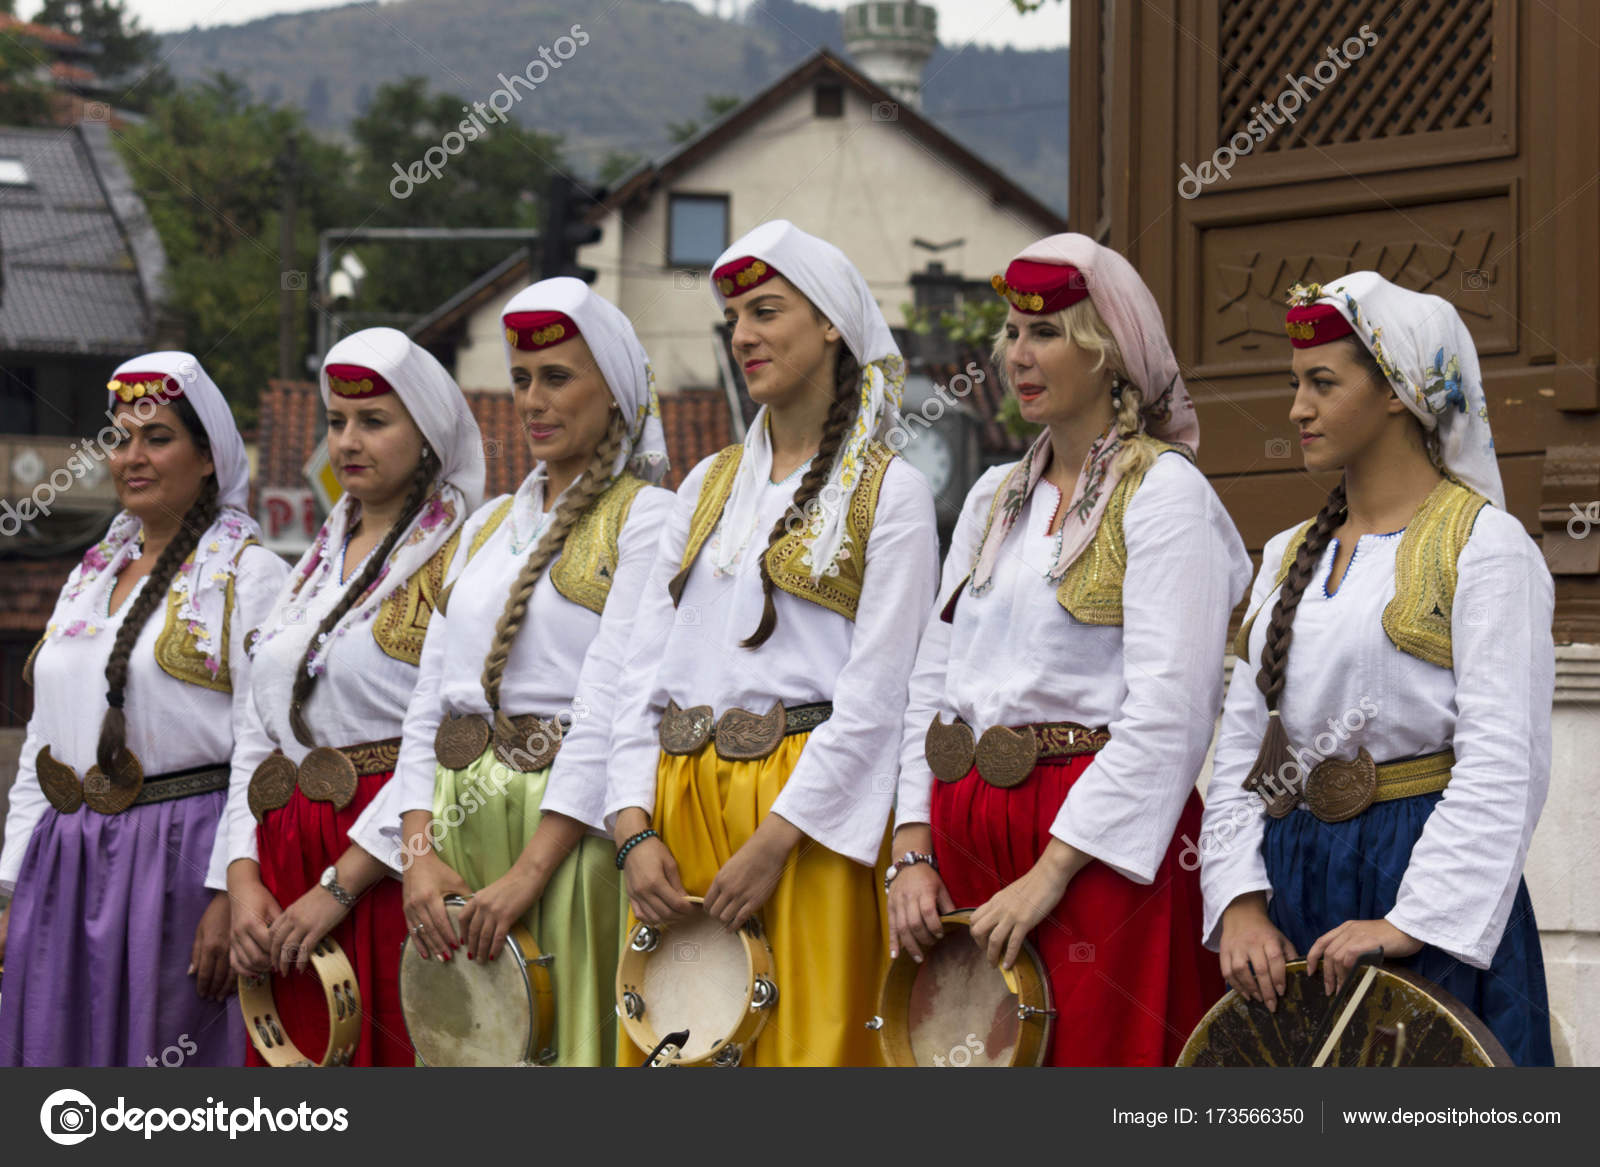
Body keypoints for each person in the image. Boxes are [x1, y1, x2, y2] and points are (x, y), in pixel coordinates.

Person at [888, 235, 1250, 1066]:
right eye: (1012, 332)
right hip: (969, 839)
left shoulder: (1164, 495)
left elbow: (1169, 716)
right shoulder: (992, 496)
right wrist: (911, 849)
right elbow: (931, 682)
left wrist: (1049, 875)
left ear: (1109, 350)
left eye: (1045, 332)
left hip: (1092, 857)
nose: (1018, 353)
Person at [605, 219, 940, 1066]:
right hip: (679, 815)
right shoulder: (703, 484)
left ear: (831, 321)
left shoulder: (891, 494)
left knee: (804, 1047)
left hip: (805, 822)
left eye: (766, 312)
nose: (743, 336)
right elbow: (639, 672)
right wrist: (632, 827)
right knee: (676, 1052)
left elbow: (877, 698)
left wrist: (777, 838)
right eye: (733, 319)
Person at [1200, 272, 1555, 1066]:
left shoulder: (1487, 548)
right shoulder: (1287, 553)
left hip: (1417, 877)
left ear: (1398, 389)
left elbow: (1505, 759)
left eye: (1322, 383)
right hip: (1292, 892)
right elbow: (1241, 754)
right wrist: (1242, 901)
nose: (1297, 408)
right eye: (1296, 384)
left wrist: (1412, 922)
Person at [348, 278, 672, 1066]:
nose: (533, 399)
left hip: (565, 829)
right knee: (469, 1046)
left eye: (558, 377)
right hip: (457, 821)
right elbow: (428, 704)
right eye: (522, 379)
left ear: (617, 391)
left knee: (561, 1044)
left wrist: (530, 875)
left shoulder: (648, 516)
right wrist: (418, 852)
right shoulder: (489, 523)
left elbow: (611, 704)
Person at [0, 353, 287, 1066]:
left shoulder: (249, 575)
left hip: (175, 859)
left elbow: (263, 744)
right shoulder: (90, 573)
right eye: (121, 437)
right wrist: (10, 883)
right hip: (63, 860)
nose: (131, 456)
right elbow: (44, 744)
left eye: (156, 437)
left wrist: (226, 888)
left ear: (209, 458)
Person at [211, 328, 483, 1066]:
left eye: (374, 420)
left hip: (389, 862)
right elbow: (256, 738)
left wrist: (342, 884)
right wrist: (243, 879)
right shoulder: (314, 565)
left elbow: (441, 735)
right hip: (284, 861)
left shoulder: (465, 557)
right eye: (337, 421)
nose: (348, 440)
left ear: (426, 434)